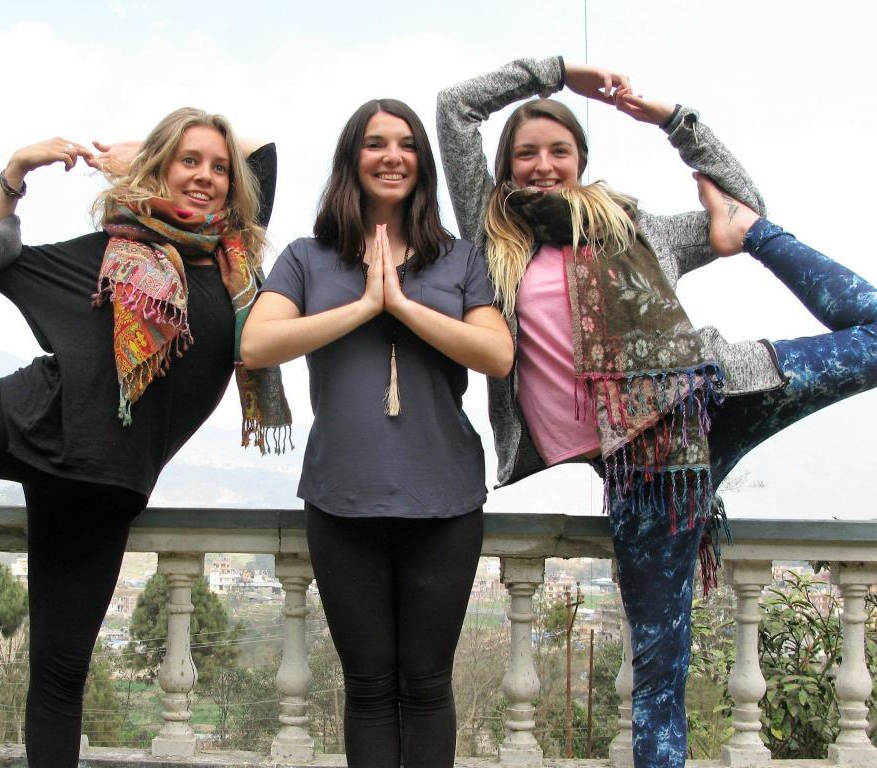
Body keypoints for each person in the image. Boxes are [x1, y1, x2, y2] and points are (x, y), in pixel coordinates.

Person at [437, 57, 877, 768]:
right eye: (527, 153)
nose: (544, 165)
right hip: (646, 473)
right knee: (659, 665)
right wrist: (553, 74)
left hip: (713, 397)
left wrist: (675, 121)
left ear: (582, 162)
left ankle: (766, 244)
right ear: (505, 167)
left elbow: (739, 198)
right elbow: (455, 107)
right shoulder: (494, 241)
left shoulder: (636, 228)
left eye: (560, 152)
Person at [0, 108, 289, 767]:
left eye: (217, 167)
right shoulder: (113, 252)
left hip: (104, 486)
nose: (205, 175)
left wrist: (145, 147)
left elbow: (264, 149)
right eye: (187, 161)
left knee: (60, 676)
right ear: (163, 171)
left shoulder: (234, 263)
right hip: (28, 415)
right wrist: (16, 170)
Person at [242, 99, 513, 767]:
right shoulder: (309, 259)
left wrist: (401, 304)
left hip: (444, 498)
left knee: (424, 686)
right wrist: (364, 304)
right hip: (343, 495)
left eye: (405, 144)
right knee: (367, 688)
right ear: (351, 161)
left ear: (421, 162)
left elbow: (496, 355)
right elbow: (257, 343)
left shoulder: (458, 259)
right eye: (374, 143)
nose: (391, 155)